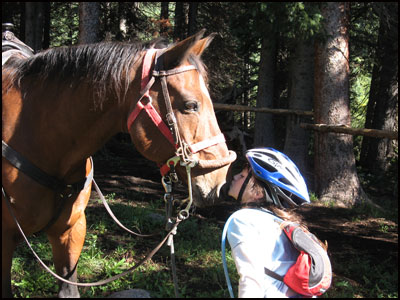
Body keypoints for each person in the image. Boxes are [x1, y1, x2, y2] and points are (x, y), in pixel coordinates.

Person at [223, 147, 313, 298]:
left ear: (257, 193)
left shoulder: (243, 220)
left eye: (243, 175)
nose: (236, 176)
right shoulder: (281, 222)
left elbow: (251, 280)